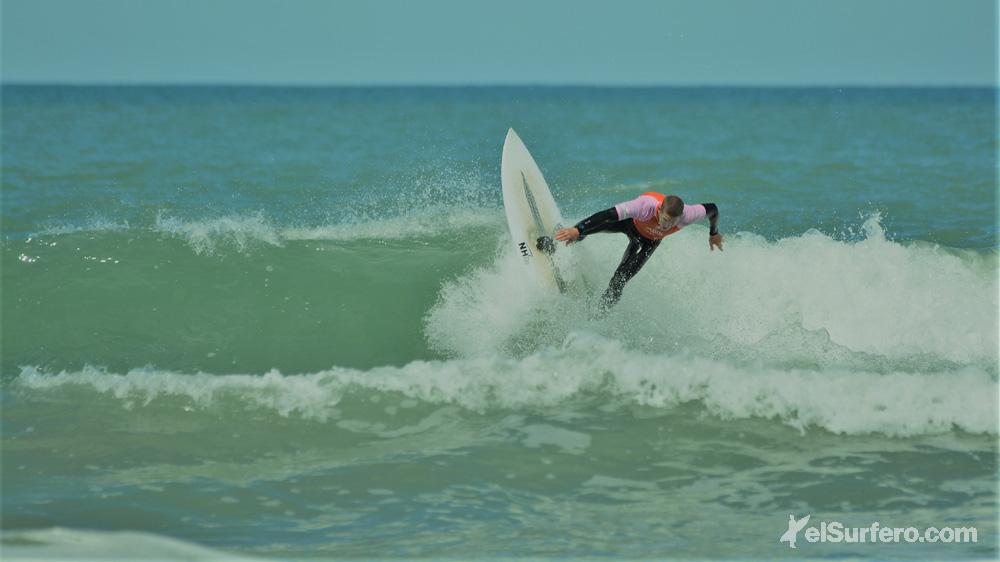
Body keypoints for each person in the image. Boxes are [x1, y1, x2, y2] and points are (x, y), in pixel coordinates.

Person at [554, 192, 723, 310]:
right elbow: (607, 215)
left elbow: (713, 209)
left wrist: (713, 233)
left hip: (648, 243)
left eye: (672, 222)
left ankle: (597, 317)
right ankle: (554, 244)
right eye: (664, 220)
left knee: (618, 282)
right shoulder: (645, 206)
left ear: (681, 217)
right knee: (582, 231)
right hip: (628, 223)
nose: (666, 226)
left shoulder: (690, 214)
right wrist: (578, 229)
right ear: (659, 211)